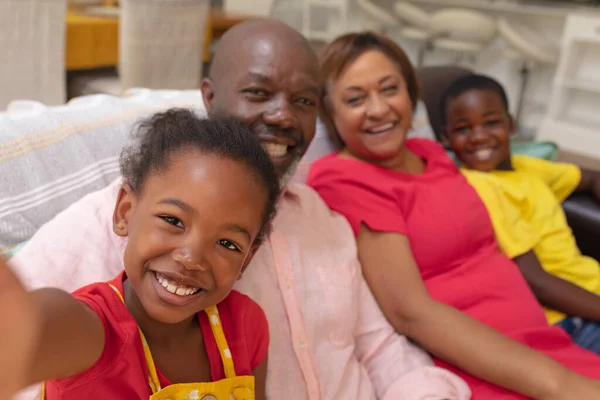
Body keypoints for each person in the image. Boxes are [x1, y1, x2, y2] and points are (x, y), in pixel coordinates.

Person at [8, 20, 470, 400]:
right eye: (257, 92)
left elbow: (377, 344)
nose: (283, 116)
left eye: (303, 101)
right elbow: (27, 330)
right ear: (209, 97)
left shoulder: (320, 219)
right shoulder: (125, 212)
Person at [307, 31, 600, 399]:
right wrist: (564, 385)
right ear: (331, 114)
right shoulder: (344, 178)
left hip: (548, 344)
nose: (379, 108)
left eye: (389, 89)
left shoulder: (432, 152)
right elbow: (411, 313)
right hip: (487, 369)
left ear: (411, 94)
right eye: (355, 99)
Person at [1, 112, 278, 399]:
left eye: (227, 243)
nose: (191, 258)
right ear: (125, 212)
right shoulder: (89, 330)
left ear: (247, 258)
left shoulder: (246, 326)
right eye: (173, 221)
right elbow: (31, 331)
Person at [440, 74, 600, 354]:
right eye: (464, 129)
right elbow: (536, 282)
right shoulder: (481, 187)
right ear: (446, 137)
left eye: (491, 123)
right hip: (570, 318)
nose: (479, 137)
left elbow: (590, 179)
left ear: (511, 124)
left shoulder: (524, 168)